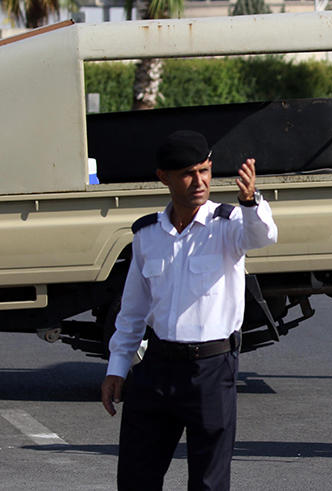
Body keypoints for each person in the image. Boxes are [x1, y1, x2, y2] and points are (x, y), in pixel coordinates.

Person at [100, 130, 278, 489]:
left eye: (205, 171)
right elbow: (133, 311)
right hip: (156, 368)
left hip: (210, 371)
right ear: (163, 177)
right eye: (187, 173)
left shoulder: (227, 226)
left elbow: (262, 237)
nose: (199, 182)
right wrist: (116, 368)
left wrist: (250, 200)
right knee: (136, 476)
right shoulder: (147, 234)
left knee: (208, 482)